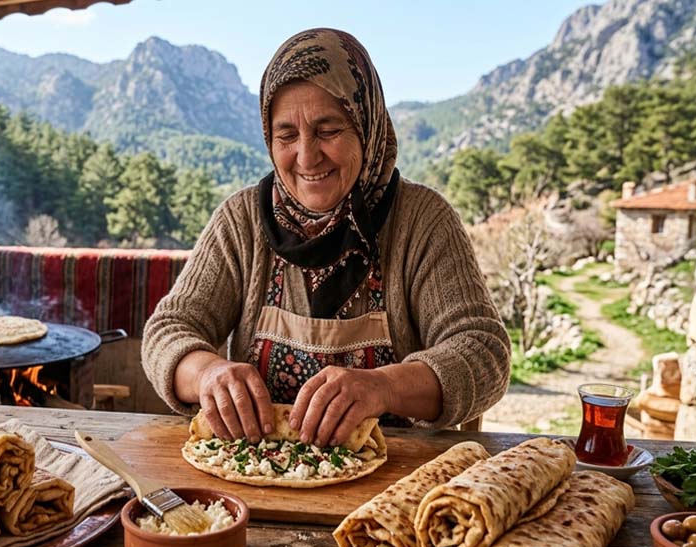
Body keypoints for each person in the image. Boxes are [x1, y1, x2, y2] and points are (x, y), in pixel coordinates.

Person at [142, 28, 510, 447]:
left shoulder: (422, 220)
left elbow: (484, 352)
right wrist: (207, 373)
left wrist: (383, 387)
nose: (306, 156)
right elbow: (169, 330)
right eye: (286, 135)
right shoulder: (241, 220)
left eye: (328, 130)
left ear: (365, 126)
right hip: (254, 469)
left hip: (398, 475)